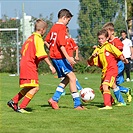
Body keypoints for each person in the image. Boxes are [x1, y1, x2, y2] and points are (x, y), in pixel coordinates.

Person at [7, 19, 56, 113]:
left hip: (24, 63)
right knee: (35, 87)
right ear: (42, 30)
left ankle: (14, 101)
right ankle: (22, 107)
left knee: (29, 87)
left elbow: (22, 51)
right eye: (45, 30)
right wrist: (51, 65)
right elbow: (42, 54)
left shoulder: (30, 38)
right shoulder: (38, 39)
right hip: (30, 65)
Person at [45, 9, 85, 110]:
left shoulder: (54, 27)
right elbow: (61, 44)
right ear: (64, 18)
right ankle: (77, 104)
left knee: (67, 78)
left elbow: (47, 40)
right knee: (72, 78)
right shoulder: (62, 27)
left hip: (55, 57)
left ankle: (54, 99)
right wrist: (68, 57)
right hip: (60, 58)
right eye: (68, 20)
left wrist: (52, 49)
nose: (68, 23)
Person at [87, 29, 128, 110]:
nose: (100, 40)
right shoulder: (98, 49)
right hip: (105, 71)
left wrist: (123, 59)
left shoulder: (109, 46)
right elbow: (90, 62)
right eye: (99, 39)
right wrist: (92, 56)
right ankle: (121, 102)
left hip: (112, 69)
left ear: (106, 38)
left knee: (105, 86)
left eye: (102, 38)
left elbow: (118, 53)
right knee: (107, 87)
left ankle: (108, 105)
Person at [102, 22, 132, 103]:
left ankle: (118, 99)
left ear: (112, 31)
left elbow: (118, 51)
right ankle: (123, 94)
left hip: (118, 64)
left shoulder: (116, 41)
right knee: (111, 83)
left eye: (106, 32)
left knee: (111, 83)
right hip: (110, 65)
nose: (105, 34)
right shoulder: (107, 41)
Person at [61, 26, 82, 95]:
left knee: (69, 75)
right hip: (63, 59)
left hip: (69, 59)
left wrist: (76, 56)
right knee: (66, 75)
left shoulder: (70, 40)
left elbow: (76, 47)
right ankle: (62, 90)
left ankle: (79, 88)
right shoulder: (61, 41)